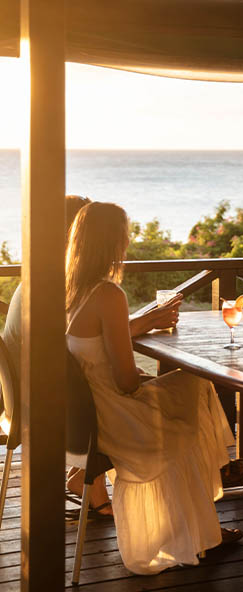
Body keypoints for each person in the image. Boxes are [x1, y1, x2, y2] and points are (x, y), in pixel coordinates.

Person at [65, 201, 241, 574]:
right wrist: (146, 378)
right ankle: (200, 529)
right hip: (113, 418)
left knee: (188, 393)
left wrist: (136, 329)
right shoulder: (108, 294)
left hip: (83, 418)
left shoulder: (67, 293)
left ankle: (197, 524)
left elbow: (94, 349)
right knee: (196, 389)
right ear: (114, 243)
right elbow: (127, 382)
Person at [1, 194, 183, 520]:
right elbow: (81, 349)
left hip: (26, 404)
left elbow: (80, 345)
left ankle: (90, 487)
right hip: (55, 414)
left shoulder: (44, 279)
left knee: (102, 384)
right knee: (169, 406)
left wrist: (140, 323)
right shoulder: (54, 285)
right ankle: (180, 509)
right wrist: (143, 324)